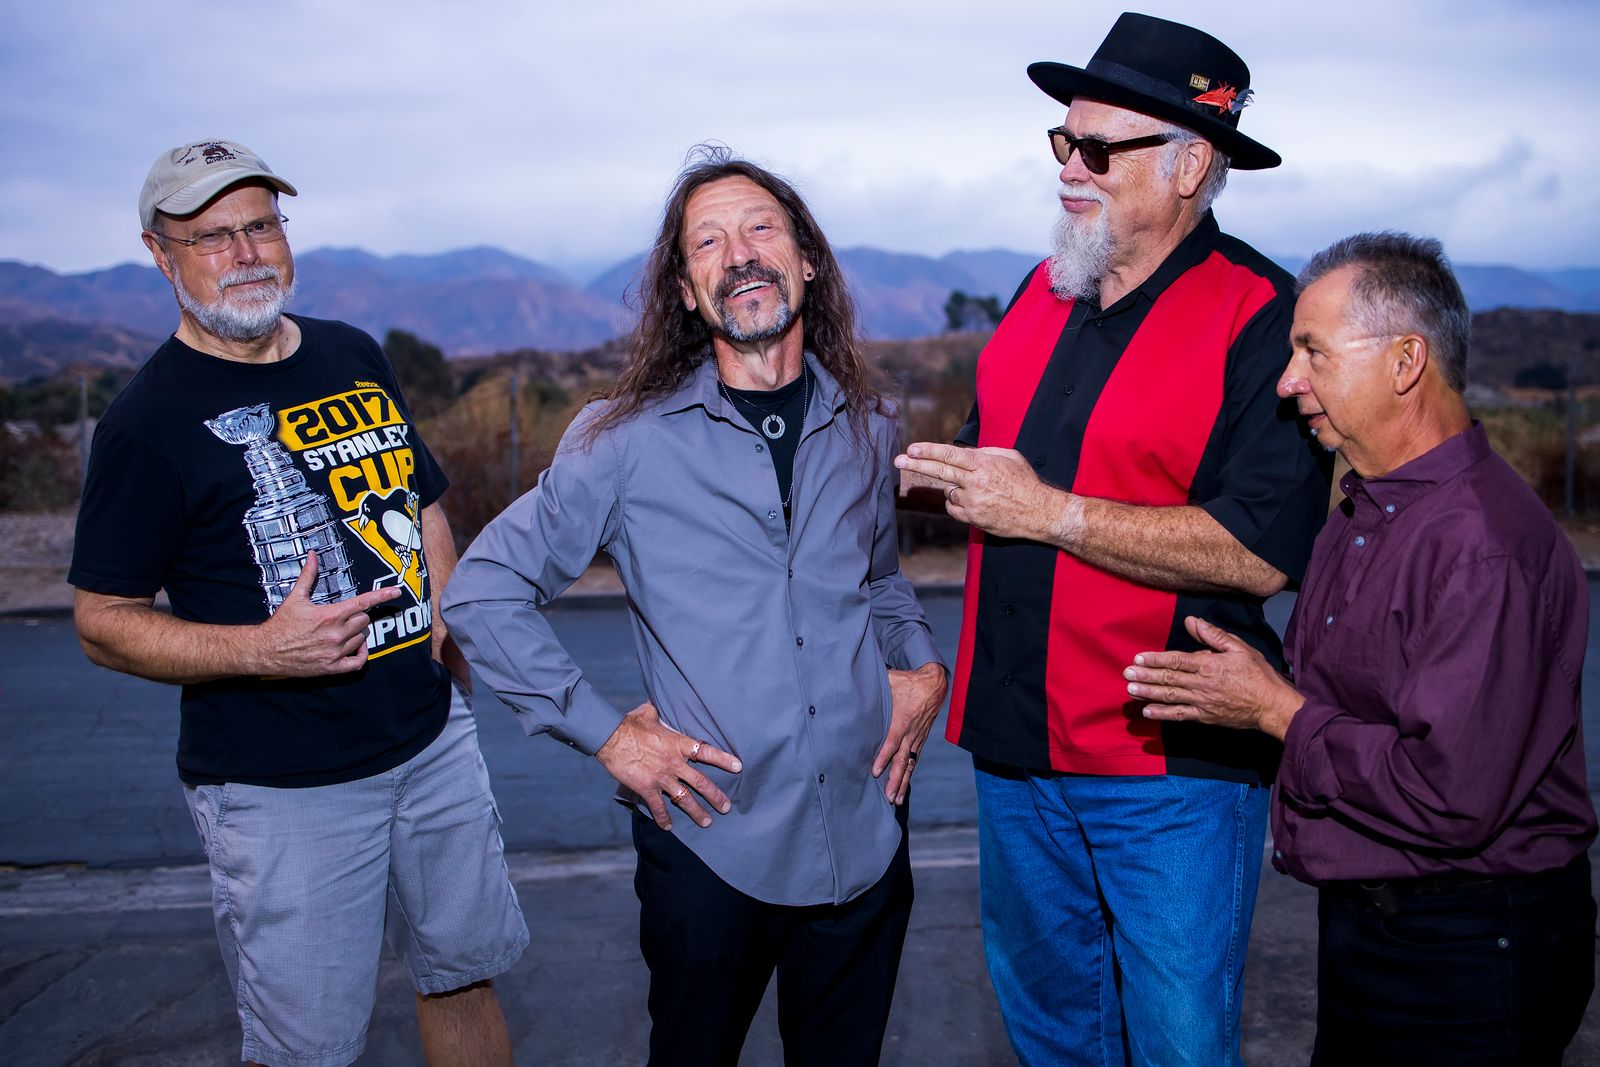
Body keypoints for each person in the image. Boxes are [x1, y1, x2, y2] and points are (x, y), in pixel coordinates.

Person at [441, 147, 947, 1067]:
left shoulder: (868, 425)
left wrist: (922, 666)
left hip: (867, 829)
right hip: (714, 844)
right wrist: (608, 734)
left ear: (808, 261)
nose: (738, 253)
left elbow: (879, 582)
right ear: (684, 291)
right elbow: (483, 589)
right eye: (707, 242)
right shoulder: (622, 442)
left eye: (760, 228)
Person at [894, 13, 1331, 1065]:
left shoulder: (1262, 315)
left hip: (1166, 772)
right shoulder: (1039, 290)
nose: (1068, 168)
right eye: (1062, 140)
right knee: (1054, 1039)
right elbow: (983, 470)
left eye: (1098, 148)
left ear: (1190, 166)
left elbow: (1261, 548)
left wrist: (1050, 512)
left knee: (1180, 1047)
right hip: (1012, 755)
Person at [69, 139, 526, 1067]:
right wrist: (261, 650)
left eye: (261, 226)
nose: (246, 253)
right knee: (306, 1047)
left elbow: (423, 504)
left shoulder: (351, 352)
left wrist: (446, 623)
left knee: (463, 976)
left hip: (431, 745)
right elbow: (102, 621)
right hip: (284, 787)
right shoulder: (146, 424)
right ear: (161, 255)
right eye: (212, 237)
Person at [1125, 232, 1597, 1064]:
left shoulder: (1481, 545)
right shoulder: (1368, 511)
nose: (1288, 380)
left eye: (1313, 350)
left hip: (1468, 946)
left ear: (1406, 361)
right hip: (1376, 928)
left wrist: (1274, 709)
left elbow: (1449, 793)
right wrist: (1244, 695)